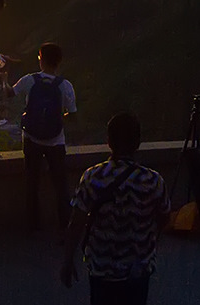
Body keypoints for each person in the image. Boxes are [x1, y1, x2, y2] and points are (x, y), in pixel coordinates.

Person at [59, 112, 171, 304]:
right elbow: (164, 217)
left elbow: (76, 223)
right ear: (138, 143)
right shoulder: (153, 181)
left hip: (102, 269)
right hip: (138, 269)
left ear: (109, 141)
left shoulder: (92, 177)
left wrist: (68, 260)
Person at [13, 42, 78, 232]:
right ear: (59, 62)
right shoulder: (65, 86)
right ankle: (65, 227)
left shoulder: (29, 80)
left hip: (31, 139)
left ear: (40, 58)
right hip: (56, 141)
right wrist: (59, 117)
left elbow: (9, 93)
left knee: (31, 184)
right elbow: (73, 115)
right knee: (61, 186)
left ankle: (33, 226)